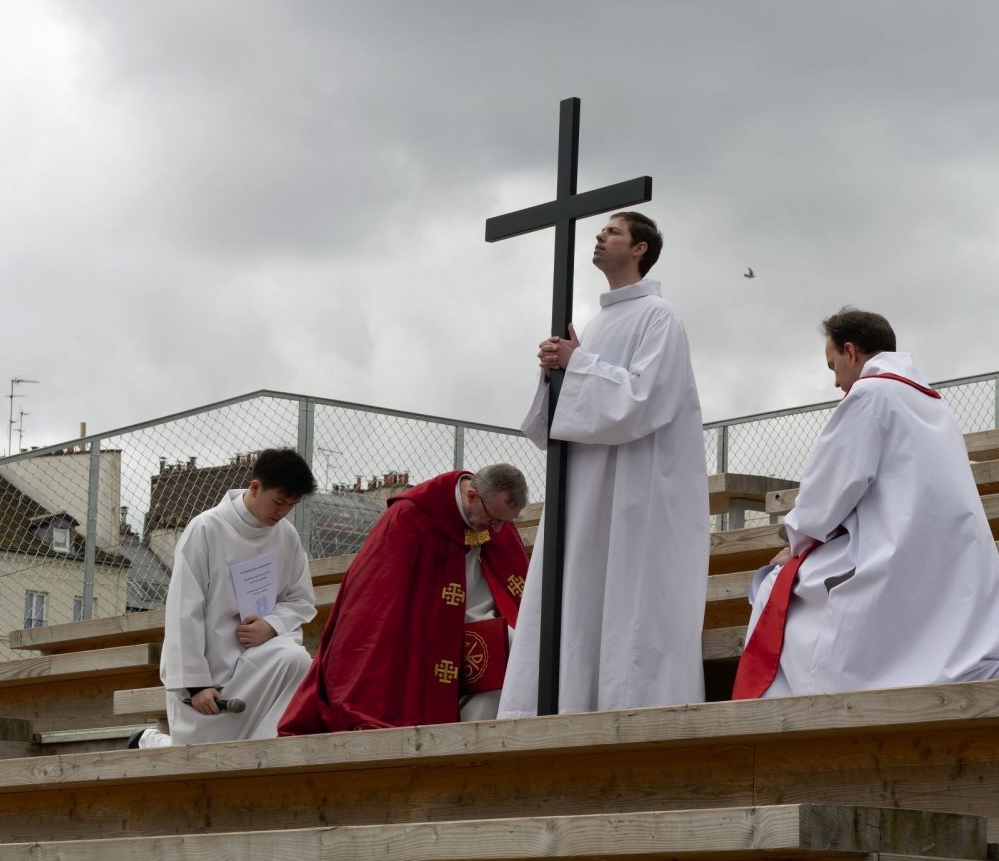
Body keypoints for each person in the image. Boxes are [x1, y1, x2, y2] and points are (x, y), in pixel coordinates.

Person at [733, 308, 999, 701]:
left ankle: (797, 709)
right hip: (961, 565)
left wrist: (793, 542)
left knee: (780, 588)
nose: (835, 381)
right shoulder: (935, 406)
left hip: (896, 558)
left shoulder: (870, 396)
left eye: (833, 366)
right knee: (943, 652)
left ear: (851, 352)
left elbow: (824, 498)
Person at [498, 211, 710, 717]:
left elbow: (645, 398)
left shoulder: (660, 317)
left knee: (626, 595)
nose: (598, 237)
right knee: (578, 593)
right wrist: (556, 370)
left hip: (633, 486)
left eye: (612, 232)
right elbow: (562, 415)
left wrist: (579, 364)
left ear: (640, 249)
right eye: (598, 231)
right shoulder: (594, 324)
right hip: (586, 489)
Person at [278, 464, 529, 733]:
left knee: (521, 645)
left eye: (506, 522)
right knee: (506, 646)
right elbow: (378, 598)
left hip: (485, 623)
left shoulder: (493, 516)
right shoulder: (413, 516)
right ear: (471, 496)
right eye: (494, 521)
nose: (499, 530)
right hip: (427, 630)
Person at [130, 447, 317, 748]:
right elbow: (183, 610)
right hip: (210, 666)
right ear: (255, 488)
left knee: (298, 661)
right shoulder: (205, 529)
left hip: (258, 658)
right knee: (199, 754)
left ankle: (265, 754)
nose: (282, 512)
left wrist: (271, 625)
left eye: (291, 505)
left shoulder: (287, 536)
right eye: (279, 502)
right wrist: (197, 684)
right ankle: (149, 742)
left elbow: (300, 600)